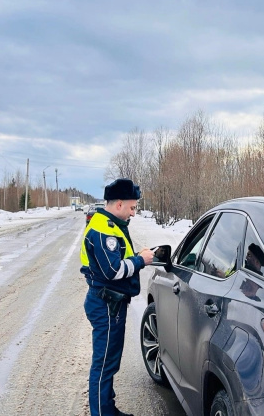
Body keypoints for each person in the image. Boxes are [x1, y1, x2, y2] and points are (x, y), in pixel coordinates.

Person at [80, 178, 154, 416]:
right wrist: (141, 260)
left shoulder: (110, 225)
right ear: (119, 204)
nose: (134, 213)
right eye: (132, 207)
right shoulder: (104, 231)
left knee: (109, 362)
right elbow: (113, 271)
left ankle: (107, 408)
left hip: (110, 302)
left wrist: (138, 258)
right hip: (106, 304)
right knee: (103, 365)